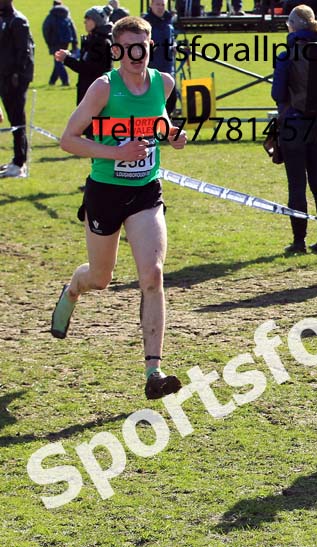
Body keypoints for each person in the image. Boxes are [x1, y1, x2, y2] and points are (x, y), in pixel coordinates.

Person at [51, 16, 188, 400]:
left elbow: (157, 122)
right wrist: (116, 152)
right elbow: (68, 139)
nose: (136, 55)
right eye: (128, 48)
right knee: (100, 277)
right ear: (116, 51)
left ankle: (154, 372)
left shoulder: (164, 83)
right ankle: (73, 288)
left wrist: (172, 136)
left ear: (150, 46)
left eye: (142, 46)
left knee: (153, 275)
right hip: (106, 192)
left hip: (146, 191)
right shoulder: (102, 88)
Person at [271, 4, 317, 254]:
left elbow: (277, 92)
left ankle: (299, 241)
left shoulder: (287, 53)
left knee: (296, 184)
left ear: (293, 26)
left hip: (294, 124)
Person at [56, 5, 113, 138]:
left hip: (95, 92)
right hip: (89, 89)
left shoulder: (101, 42)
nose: (85, 22)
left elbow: (89, 69)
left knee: (94, 131)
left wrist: (67, 59)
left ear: (96, 21)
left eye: (88, 19)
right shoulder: (92, 39)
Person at [0, 0, 34, 179]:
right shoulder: (4, 19)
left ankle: (20, 162)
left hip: (14, 81)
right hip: (3, 78)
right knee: (12, 121)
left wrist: (17, 75)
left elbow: (25, 52)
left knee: (17, 121)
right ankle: (16, 159)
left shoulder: (18, 21)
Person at [143, 0, 177, 115]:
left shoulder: (169, 20)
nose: (160, 7)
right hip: (151, 69)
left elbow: (172, 38)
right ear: (151, 5)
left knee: (171, 101)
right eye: (157, 4)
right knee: (152, 102)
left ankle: (165, 128)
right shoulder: (144, 23)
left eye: (163, 5)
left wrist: (175, 46)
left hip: (168, 68)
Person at [42, 1, 78, 86]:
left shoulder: (51, 16)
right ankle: (52, 81)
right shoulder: (66, 15)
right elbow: (73, 29)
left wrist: (48, 41)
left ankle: (65, 81)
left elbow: (45, 29)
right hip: (66, 41)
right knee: (59, 60)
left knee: (58, 61)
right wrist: (74, 43)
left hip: (55, 42)